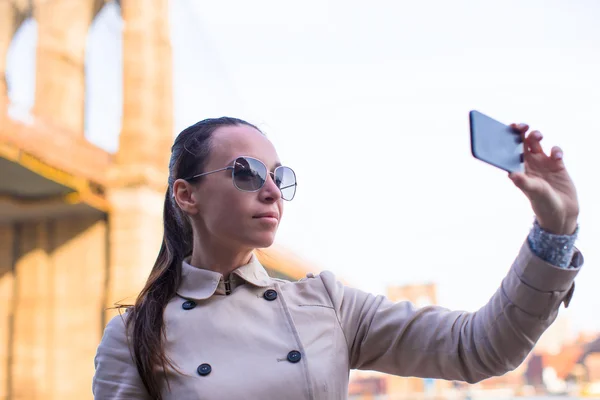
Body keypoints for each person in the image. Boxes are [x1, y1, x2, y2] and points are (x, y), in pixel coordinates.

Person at [92, 117, 583, 400]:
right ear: (186, 195)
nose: (270, 190)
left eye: (279, 177)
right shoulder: (136, 334)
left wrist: (554, 231)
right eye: (247, 172)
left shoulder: (325, 303)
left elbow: (479, 349)